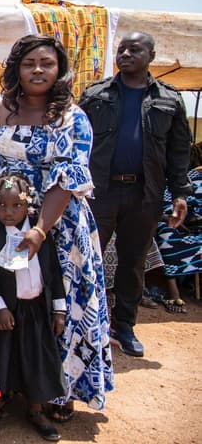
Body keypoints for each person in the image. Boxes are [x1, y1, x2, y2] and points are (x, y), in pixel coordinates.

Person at [0, 34, 113, 417]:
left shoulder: (72, 117)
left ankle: (56, 389)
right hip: (4, 222)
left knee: (53, 306)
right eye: (29, 63)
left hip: (57, 227)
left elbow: (67, 178)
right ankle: (12, 383)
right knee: (7, 304)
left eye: (46, 63)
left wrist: (39, 231)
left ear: (59, 70)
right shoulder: (1, 112)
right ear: (15, 69)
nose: (37, 70)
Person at [79, 31, 191, 357]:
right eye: (122, 49)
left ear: (151, 56)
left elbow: (179, 151)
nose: (125, 54)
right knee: (87, 259)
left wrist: (181, 193)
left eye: (135, 49)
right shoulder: (94, 95)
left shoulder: (169, 99)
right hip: (100, 191)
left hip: (145, 194)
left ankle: (124, 326)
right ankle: (88, 325)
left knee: (133, 263)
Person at [0, 174, 65, 442]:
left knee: (36, 358)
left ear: (28, 205)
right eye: (1, 205)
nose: (8, 212)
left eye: (16, 206)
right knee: (4, 357)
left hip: (36, 309)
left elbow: (53, 270)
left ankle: (35, 409)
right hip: (8, 310)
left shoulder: (41, 233)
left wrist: (58, 309)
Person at [154, 166, 202, 313]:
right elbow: (167, 207)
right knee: (167, 235)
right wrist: (179, 220)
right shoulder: (189, 177)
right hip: (179, 225)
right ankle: (173, 293)